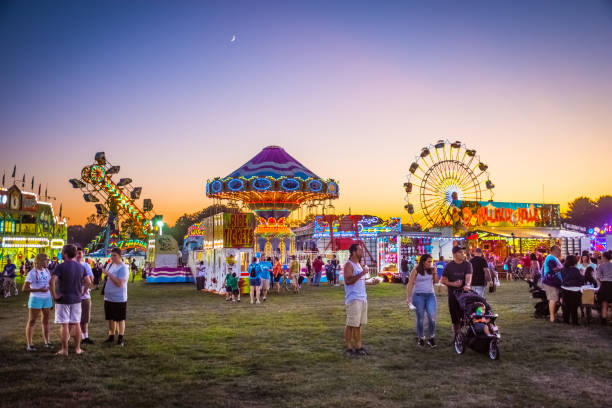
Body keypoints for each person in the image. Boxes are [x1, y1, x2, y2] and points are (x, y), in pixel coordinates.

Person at [49, 244, 90, 356]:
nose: (61, 254)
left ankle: (64, 350)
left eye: (62, 252)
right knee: (77, 323)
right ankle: (77, 349)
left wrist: (54, 295)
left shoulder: (60, 267)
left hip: (63, 299)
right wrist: (82, 292)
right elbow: (88, 282)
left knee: (64, 325)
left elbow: (52, 281)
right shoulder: (81, 267)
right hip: (76, 299)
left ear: (65, 254)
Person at [405, 254, 439, 348]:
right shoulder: (416, 270)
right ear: (423, 262)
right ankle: (421, 338)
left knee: (432, 317)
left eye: (431, 261)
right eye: (428, 261)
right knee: (420, 318)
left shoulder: (431, 270)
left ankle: (431, 338)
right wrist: (409, 298)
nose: (430, 263)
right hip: (418, 295)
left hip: (430, 295)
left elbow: (436, 281)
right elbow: (410, 284)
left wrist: (435, 272)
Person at [23, 253, 53, 351]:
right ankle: (29, 344)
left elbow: (49, 284)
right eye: (46, 260)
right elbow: (24, 289)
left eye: (48, 260)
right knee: (32, 321)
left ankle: (47, 342)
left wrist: (52, 295)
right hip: (36, 299)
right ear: (40, 261)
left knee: (46, 321)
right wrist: (39, 290)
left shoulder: (47, 271)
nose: (48, 262)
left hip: (47, 298)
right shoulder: (32, 273)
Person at [440, 246, 473, 337]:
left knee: (465, 315)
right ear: (454, 254)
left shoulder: (467, 264)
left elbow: (468, 277)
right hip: (453, 295)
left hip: (465, 295)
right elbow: (443, 280)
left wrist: (467, 285)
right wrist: (453, 284)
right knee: (455, 318)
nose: (463, 254)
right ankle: (457, 336)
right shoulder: (449, 266)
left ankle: (464, 333)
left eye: (463, 252)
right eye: (460, 252)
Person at [343, 244, 369, 357]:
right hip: (354, 298)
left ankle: (358, 346)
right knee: (350, 324)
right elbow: (348, 281)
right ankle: (349, 347)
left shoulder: (359, 264)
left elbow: (359, 280)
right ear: (353, 252)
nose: (362, 251)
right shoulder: (349, 265)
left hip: (362, 297)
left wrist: (370, 281)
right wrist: (362, 273)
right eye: (359, 249)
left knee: (358, 324)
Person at [102, 248, 129, 346]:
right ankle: (111, 335)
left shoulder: (123, 267)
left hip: (119, 297)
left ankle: (120, 338)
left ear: (120, 256)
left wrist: (108, 274)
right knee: (110, 317)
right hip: (108, 296)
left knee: (120, 318)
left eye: (114, 255)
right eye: (111, 255)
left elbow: (120, 283)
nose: (112, 257)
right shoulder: (110, 265)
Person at [76, 247, 94, 344]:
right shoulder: (73, 265)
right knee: (76, 319)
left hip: (85, 296)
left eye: (80, 253)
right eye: (77, 253)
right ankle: (78, 337)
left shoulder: (86, 265)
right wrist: (84, 281)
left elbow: (91, 280)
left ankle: (85, 337)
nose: (78, 255)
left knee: (85, 319)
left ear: (83, 254)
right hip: (74, 296)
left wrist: (83, 282)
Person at [540, 246, 564, 323]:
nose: (560, 252)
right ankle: (552, 318)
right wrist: (563, 268)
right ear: (554, 251)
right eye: (559, 251)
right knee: (553, 299)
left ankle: (553, 315)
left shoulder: (554, 258)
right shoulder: (550, 258)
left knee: (554, 299)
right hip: (550, 281)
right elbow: (553, 269)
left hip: (554, 282)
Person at [560, 255, 584, 325]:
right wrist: (582, 274)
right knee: (574, 306)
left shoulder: (563, 269)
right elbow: (581, 280)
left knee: (566, 306)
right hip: (575, 290)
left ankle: (566, 320)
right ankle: (574, 321)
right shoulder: (576, 270)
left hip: (565, 289)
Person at [595, 250, 612, 325]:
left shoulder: (601, 265)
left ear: (604, 257)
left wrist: (602, 280)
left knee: (604, 303)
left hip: (605, 284)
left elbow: (598, 276)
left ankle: (604, 320)